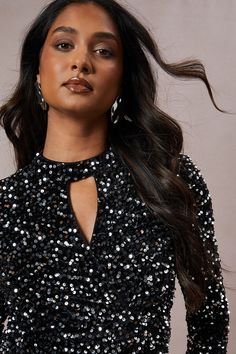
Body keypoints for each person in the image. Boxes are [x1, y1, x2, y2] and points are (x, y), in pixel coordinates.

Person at [0, 0, 230, 353]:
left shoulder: (169, 180)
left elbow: (210, 324)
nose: (82, 62)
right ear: (36, 71)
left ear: (123, 79)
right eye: (64, 45)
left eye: (104, 50)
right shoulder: (7, 204)